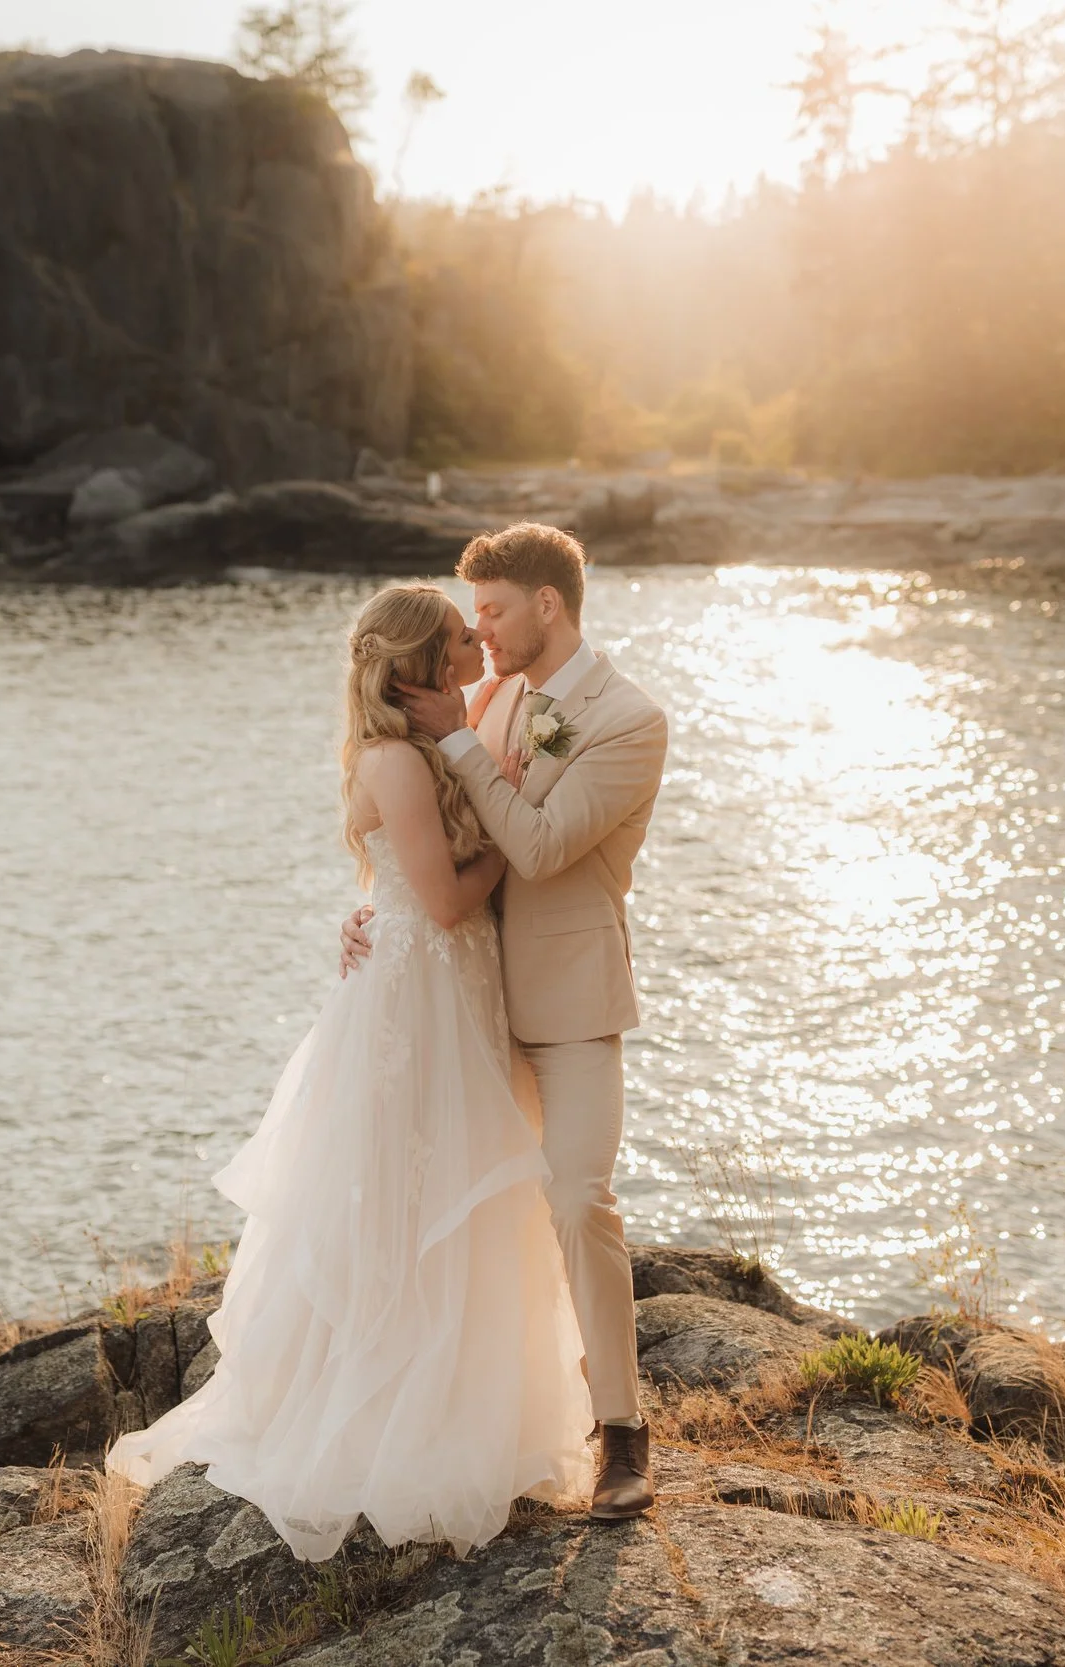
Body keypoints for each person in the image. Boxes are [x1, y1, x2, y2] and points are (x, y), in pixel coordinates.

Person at [105, 583, 592, 1561]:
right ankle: (392, 1416)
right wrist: (514, 837)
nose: (475, 640)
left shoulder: (434, 739)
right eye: (459, 634)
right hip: (419, 1002)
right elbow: (447, 903)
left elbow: (410, 883)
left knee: (459, 1193)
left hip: (449, 990)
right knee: (413, 1198)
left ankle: (475, 1400)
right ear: (420, 661)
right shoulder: (393, 760)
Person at [342, 521, 671, 1521]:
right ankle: (461, 1421)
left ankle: (620, 1431)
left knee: (575, 1196)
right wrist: (373, 911)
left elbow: (531, 844)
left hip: (567, 1001)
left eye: (490, 610)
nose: (476, 631)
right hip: (463, 999)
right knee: (455, 1210)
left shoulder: (626, 720)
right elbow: (429, 829)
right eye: (468, 613)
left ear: (548, 605)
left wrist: (450, 735)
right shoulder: (486, 698)